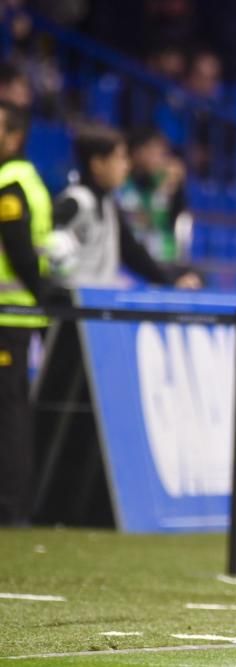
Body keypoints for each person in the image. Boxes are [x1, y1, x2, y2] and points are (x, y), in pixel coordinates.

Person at [0, 101, 64, 525]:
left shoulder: (10, 183)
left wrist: (41, 292)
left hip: (8, 317)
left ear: (15, 135)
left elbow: (19, 250)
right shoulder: (30, 180)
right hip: (21, 316)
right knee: (14, 409)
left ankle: (10, 507)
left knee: (8, 414)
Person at [50, 124, 200, 290]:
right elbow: (46, 244)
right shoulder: (74, 202)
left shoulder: (109, 205)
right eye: (120, 158)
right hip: (71, 306)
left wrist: (171, 282)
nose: (126, 166)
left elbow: (132, 252)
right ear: (97, 164)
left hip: (97, 307)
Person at [118, 128, 187, 264]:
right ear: (137, 152)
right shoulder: (120, 184)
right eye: (155, 152)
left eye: (163, 154)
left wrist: (176, 189)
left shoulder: (165, 184)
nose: (160, 160)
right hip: (127, 263)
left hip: (164, 260)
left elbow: (172, 220)